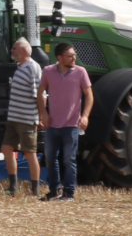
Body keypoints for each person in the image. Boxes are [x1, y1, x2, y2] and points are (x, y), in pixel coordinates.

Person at [37, 42, 92, 202]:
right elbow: (41, 92)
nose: (74, 58)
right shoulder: (48, 71)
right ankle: (54, 191)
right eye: (70, 56)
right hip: (52, 124)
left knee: (69, 159)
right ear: (59, 58)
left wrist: (85, 115)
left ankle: (69, 193)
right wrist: (43, 114)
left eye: (74, 55)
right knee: (50, 158)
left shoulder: (81, 72)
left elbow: (89, 95)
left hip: (72, 124)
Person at [1, 39, 43, 196]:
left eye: (15, 48)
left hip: (26, 118)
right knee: (6, 148)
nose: (12, 50)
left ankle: (35, 190)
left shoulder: (33, 68)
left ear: (24, 51)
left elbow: (39, 94)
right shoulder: (20, 68)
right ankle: (13, 186)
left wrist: (40, 116)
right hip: (14, 117)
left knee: (30, 152)